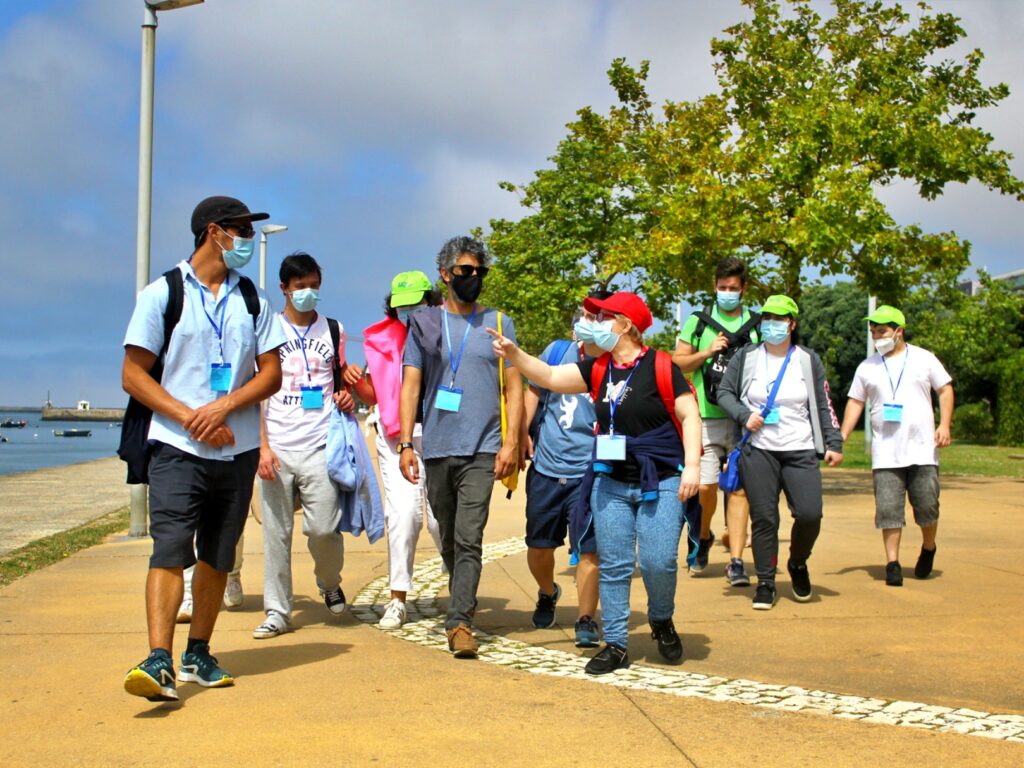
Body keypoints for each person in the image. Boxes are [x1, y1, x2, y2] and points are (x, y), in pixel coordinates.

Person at [121, 195, 285, 701]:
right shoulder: (163, 293)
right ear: (213, 232)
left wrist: (225, 406)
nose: (247, 239)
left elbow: (272, 374)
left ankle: (199, 653)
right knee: (170, 547)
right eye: (240, 229)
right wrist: (192, 417)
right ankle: (158, 659)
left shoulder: (251, 299)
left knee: (218, 554)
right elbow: (132, 374)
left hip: (233, 452)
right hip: (175, 446)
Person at [489, 291, 701, 675]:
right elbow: (551, 376)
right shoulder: (597, 368)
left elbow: (689, 415)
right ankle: (617, 644)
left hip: (663, 477)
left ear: (626, 326)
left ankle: (661, 619)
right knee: (615, 565)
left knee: (657, 562)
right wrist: (515, 355)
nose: (594, 323)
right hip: (611, 480)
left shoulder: (661, 365)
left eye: (604, 317)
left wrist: (692, 467)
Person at [398, 236, 523, 659]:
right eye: (466, 271)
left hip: (483, 446)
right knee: (449, 537)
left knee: (470, 537)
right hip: (435, 446)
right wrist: (404, 443)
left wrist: (511, 442)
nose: (474, 279)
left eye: (480, 272)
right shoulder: (425, 325)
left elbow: (515, 386)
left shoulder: (501, 323)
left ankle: (460, 622)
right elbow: (410, 384)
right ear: (446, 274)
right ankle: (461, 597)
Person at [252, 252, 355, 640]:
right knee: (275, 534)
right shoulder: (267, 332)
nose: (308, 293)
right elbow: (258, 393)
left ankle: (329, 581)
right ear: (284, 289)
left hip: (320, 445)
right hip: (277, 447)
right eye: (300, 287)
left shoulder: (333, 330)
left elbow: (341, 380)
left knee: (324, 530)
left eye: (314, 286)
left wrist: (347, 396)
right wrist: (262, 446)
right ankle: (277, 610)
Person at [717, 294, 844, 611]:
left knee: (810, 513)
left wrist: (833, 442)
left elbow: (823, 404)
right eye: (768, 318)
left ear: (792, 324)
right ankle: (766, 583)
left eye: (780, 319)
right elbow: (724, 392)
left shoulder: (807, 359)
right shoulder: (746, 357)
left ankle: (798, 563)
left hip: (800, 448)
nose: (772, 324)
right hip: (758, 450)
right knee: (764, 519)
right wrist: (744, 416)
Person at [344, 270, 444, 630]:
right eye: (402, 307)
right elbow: (377, 395)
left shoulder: (449, 331)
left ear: (430, 301)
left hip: (439, 433)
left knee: (439, 517)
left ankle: (461, 589)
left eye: (415, 304)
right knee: (402, 515)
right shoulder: (382, 339)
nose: (409, 313)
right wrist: (357, 385)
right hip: (394, 437)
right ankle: (398, 597)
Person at [519, 291, 610, 647]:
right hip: (547, 466)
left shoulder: (617, 364)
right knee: (539, 547)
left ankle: (586, 618)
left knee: (590, 550)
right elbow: (534, 391)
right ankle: (547, 590)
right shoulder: (557, 352)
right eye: (584, 316)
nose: (587, 323)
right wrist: (522, 434)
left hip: (591, 473)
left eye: (597, 318)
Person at [840, 305, 953, 586]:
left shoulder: (924, 359)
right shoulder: (867, 367)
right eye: (873, 331)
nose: (877, 336)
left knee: (926, 506)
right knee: (889, 509)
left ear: (898, 332)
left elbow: (945, 389)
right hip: (886, 452)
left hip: (922, 449)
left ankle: (929, 547)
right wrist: (842, 435)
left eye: (882, 331)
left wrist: (945, 425)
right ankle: (893, 563)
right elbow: (856, 401)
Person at [672, 257, 760, 583]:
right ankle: (704, 533)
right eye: (722, 288)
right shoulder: (698, 322)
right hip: (705, 418)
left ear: (743, 289)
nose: (727, 293)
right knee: (706, 487)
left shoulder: (758, 323)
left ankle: (736, 561)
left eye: (733, 289)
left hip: (742, 420)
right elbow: (677, 363)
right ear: (714, 287)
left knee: (739, 489)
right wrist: (707, 352)